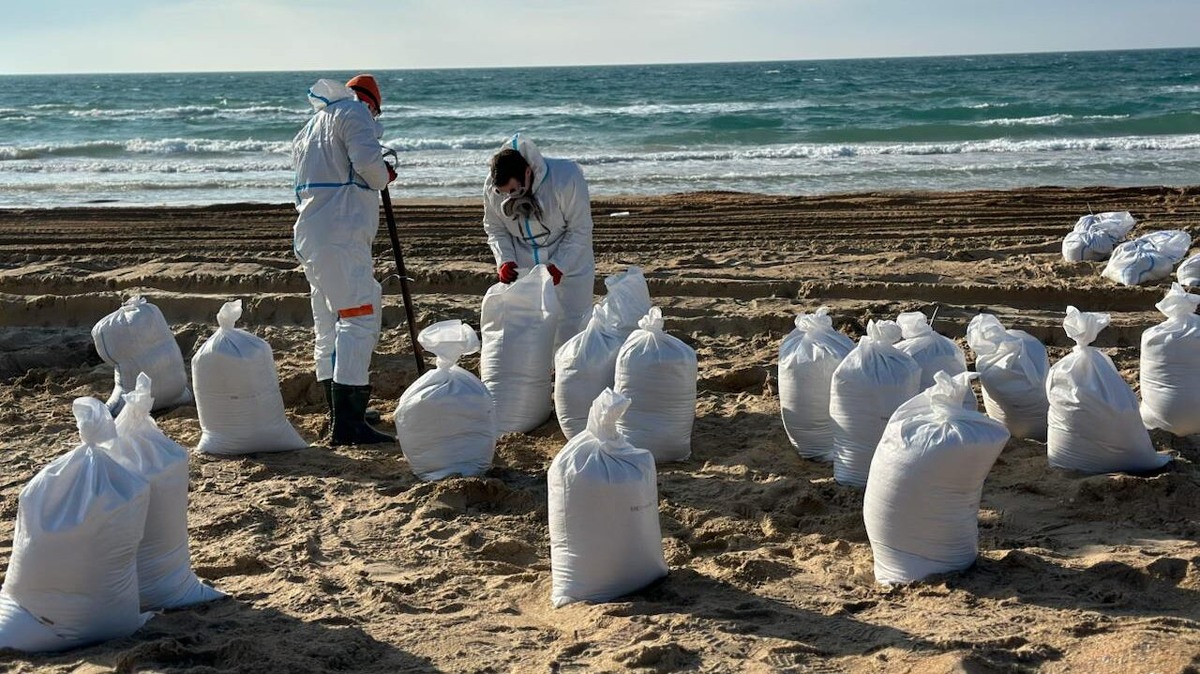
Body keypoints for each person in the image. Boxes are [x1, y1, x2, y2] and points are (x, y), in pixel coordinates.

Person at [292, 74, 396, 446]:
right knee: (358, 318)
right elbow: (369, 167)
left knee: (329, 323)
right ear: (370, 103)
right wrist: (385, 175)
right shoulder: (353, 114)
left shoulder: (310, 128)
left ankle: (339, 410)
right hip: (340, 236)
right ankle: (349, 424)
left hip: (313, 234)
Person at [483, 134, 596, 348]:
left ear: (528, 172)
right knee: (527, 328)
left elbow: (580, 229)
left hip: (570, 260)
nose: (512, 198)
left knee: (572, 326)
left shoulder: (565, 178)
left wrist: (560, 265)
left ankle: (566, 376)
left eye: (516, 190)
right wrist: (504, 259)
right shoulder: (492, 187)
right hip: (523, 263)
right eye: (505, 193)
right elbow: (495, 228)